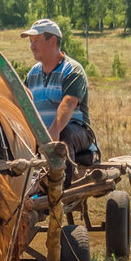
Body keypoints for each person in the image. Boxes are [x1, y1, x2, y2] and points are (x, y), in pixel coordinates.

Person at [21, 18, 99, 181]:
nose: (32, 46)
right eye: (30, 42)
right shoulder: (32, 74)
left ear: (53, 41)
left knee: (65, 134)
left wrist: (53, 132)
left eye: (36, 40)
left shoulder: (72, 70)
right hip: (43, 133)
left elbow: (68, 104)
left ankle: (63, 190)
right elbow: (22, 104)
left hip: (77, 132)